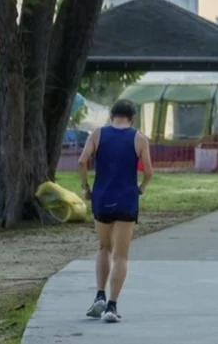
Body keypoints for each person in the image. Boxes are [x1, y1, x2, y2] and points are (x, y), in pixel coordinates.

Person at [78, 99, 153, 323]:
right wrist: (141, 188)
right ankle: (112, 306)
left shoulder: (97, 135)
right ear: (132, 118)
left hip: (102, 198)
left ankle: (99, 295)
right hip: (127, 200)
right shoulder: (139, 138)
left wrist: (85, 187)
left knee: (103, 247)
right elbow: (149, 171)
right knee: (121, 255)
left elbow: (82, 162)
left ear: (112, 116)